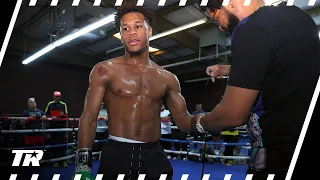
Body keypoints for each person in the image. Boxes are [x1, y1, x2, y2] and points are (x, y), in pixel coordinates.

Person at [75, 1, 201, 180]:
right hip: (117, 153)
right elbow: (88, 118)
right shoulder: (105, 69)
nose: (131, 32)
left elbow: (184, 122)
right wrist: (82, 167)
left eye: (137, 26)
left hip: (154, 154)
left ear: (149, 31)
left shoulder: (168, 78)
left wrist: (212, 120)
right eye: (125, 29)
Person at [197, 0, 320, 179]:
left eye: (217, 19)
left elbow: (232, 115)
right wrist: (231, 69)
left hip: (276, 152)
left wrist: (198, 123)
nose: (221, 28)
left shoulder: (248, 28)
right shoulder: (299, 16)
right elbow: (282, 66)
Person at [45, 91, 69, 168]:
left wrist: (60, 116)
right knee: (54, 144)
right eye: (56, 96)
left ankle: (63, 160)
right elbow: (46, 114)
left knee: (63, 144)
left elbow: (66, 115)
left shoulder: (63, 104)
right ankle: (56, 161)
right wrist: (52, 118)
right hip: (53, 127)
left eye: (59, 96)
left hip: (61, 127)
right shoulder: (50, 104)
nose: (57, 98)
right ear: (53, 97)